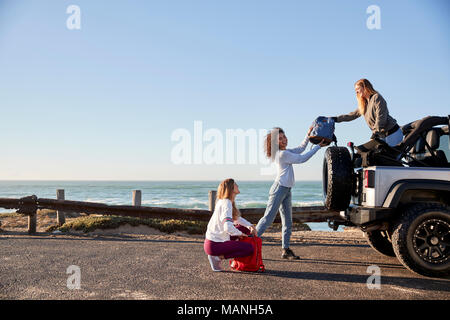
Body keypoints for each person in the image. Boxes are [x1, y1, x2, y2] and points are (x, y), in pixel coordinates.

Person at [256, 127, 327, 259]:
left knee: (287, 222)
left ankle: (286, 250)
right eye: (280, 138)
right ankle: (250, 243)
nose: (284, 139)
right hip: (279, 189)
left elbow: (300, 149)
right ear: (275, 143)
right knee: (268, 219)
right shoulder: (282, 154)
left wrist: (307, 135)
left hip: (286, 190)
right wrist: (317, 147)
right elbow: (302, 158)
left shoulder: (285, 152)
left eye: (284, 137)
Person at [204, 178, 257, 271]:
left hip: (212, 243)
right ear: (231, 188)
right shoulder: (226, 203)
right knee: (249, 249)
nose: (238, 186)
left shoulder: (224, 201)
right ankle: (217, 257)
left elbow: (236, 218)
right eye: (236, 184)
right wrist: (240, 234)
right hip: (215, 245)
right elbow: (227, 227)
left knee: (245, 229)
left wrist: (250, 226)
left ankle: (219, 254)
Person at [332, 79, 403, 146]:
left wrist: (375, 133)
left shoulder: (377, 97)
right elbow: (351, 115)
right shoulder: (364, 104)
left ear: (365, 87)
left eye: (357, 89)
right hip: (381, 135)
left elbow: (381, 117)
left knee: (390, 158)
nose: (356, 92)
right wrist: (335, 119)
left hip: (393, 133)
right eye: (355, 90)